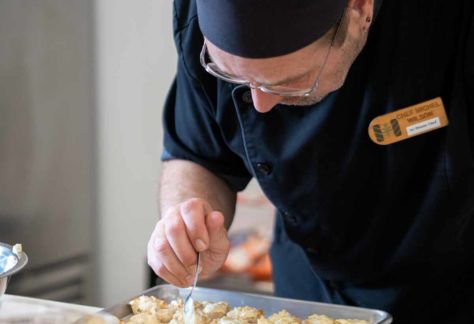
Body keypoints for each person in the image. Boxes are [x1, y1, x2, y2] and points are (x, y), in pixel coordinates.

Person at [147, 0, 474, 322]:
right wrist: (188, 221)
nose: (260, 104)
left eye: (289, 83)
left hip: (451, 290)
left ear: (360, 8)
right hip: (306, 289)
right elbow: (199, 155)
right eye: (235, 78)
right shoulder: (202, 13)